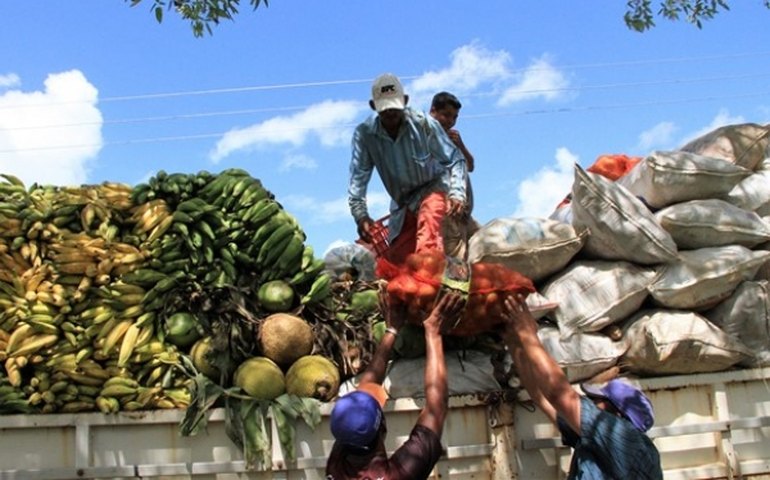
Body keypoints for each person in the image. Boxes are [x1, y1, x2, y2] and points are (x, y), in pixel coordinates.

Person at [499, 293, 663, 479]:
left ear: (618, 414)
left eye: (596, 400)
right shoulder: (597, 440)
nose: (590, 404)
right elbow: (541, 397)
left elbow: (560, 396)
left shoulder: (626, 440)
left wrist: (529, 335)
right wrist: (515, 343)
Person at [325, 291, 466, 480]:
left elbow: (368, 388)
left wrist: (392, 330)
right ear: (382, 426)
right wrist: (433, 333)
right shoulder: (398, 474)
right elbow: (436, 407)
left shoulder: (336, 469)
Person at [348, 73, 468, 265]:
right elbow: (358, 181)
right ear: (373, 106)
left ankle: (431, 274)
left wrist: (457, 193)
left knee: (428, 247)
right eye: (384, 108)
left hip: (433, 189)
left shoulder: (421, 123)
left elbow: (455, 159)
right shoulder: (365, 135)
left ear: (404, 101)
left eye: (395, 107)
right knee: (398, 260)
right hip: (402, 203)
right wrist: (361, 216)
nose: (391, 113)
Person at [429, 91, 480, 260]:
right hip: (448, 212)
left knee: (482, 243)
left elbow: (470, 166)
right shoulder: (426, 138)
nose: (450, 121)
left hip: (462, 213)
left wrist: (461, 145)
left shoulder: (452, 139)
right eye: (446, 115)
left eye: (455, 117)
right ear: (433, 111)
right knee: (457, 260)